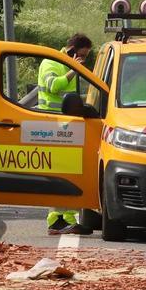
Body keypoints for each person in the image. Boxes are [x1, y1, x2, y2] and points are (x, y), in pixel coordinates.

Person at [39, 33, 94, 236]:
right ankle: (55, 221)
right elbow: (54, 86)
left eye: (86, 56)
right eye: (81, 55)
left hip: (66, 127)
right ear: (71, 50)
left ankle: (68, 220)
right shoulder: (50, 63)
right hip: (51, 125)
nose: (83, 59)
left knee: (68, 174)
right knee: (58, 175)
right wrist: (74, 70)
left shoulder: (70, 65)